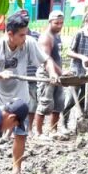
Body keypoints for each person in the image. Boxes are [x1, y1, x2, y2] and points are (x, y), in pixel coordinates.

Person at [0, 11, 59, 174]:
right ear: (10, 34)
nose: (25, 37)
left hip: (19, 98)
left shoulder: (29, 43)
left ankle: (16, 170)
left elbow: (46, 61)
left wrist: (51, 73)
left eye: (26, 33)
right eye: (21, 35)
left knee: (20, 133)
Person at [34, 10, 66, 138]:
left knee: (59, 102)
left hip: (57, 74)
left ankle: (53, 130)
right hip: (46, 74)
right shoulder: (46, 37)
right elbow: (46, 58)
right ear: (50, 22)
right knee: (44, 102)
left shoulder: (57, 36)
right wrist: (61, 71)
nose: (59, 26)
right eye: (56, 23)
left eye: (61, 23)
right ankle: (38, 132)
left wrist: (60, 73)